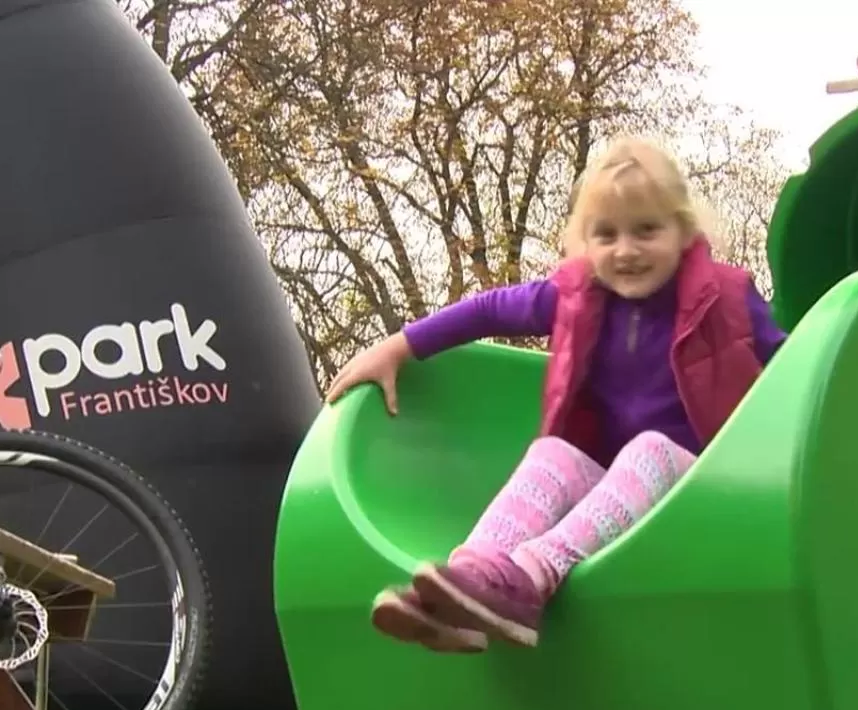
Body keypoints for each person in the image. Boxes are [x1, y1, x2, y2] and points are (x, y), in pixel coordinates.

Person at [324, 136, 787, 653]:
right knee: (554, 453)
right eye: (606, 235)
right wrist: (400, 346)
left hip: (704, 487)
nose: (626, 250)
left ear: (683, 232)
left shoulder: (726, 300)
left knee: (650, 448)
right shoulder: (577, 298)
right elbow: (489, 309)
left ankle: (531, 577)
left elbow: (797, 365)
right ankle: (467, 588)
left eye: (647, 230)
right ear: (584, 242)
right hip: (612, 489)